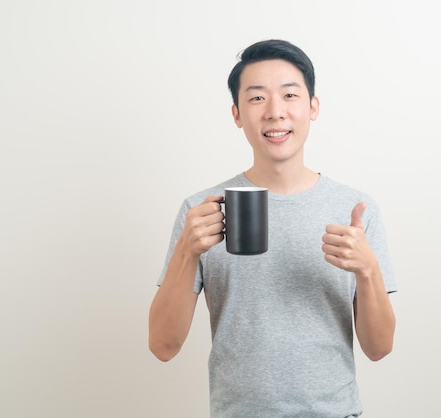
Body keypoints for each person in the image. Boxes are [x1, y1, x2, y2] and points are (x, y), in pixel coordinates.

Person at [148, 39, 397, 417]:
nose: (275, 112)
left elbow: (379, 348)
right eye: (257, 98)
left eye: (290, 95)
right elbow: (163, 346)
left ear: (313, 107)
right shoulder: (202, 211)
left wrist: (368, 269)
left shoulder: (355, 210)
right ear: (237, 114)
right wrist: (187, 250)